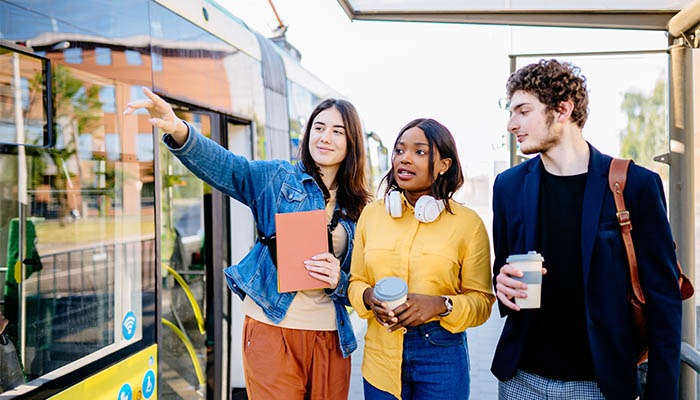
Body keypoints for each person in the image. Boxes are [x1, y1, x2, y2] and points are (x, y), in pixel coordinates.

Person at [125, 88, 371, 399]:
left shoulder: (360, 208)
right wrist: (178, 128)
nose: (325, 138)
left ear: (351, 142)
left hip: (330, 336)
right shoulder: (277, 177)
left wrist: (340, 280)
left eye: (337, 131)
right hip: (272, 327)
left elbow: (361, 285)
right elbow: (229, 167)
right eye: (319, 128)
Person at [491, 59, 682, 400]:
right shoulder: (508, 187)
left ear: (563, 110)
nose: (511, 124)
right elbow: (503, 273)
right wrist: (501, 285)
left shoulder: (635, 185)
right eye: (511, 112)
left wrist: (661, 393)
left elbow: (664, 301)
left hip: (599, 382)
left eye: (522, 111)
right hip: (520, 379)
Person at [348, 118, 495, 400]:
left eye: (420, 152)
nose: (405, 159)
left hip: (441, 355)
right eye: (400, 150)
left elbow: (482, 302)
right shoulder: (372, 215)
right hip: (381, 356)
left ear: (444, 165)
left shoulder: (468, 224)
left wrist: (441, 305)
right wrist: (368, 297)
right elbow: (355, 281)